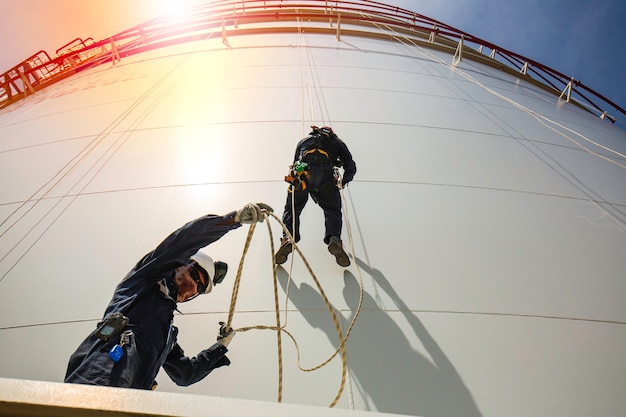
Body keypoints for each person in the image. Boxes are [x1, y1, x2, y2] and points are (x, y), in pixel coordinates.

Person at [64, 202, 273, 390]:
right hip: (100, 375)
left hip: (130, 399)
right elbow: (182, 242)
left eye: (199, 289)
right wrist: (232, 219)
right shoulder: (145, 280)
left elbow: (185, 374)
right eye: (194, 276)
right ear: (181, 264)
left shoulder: (166, 335)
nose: (192, 288)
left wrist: (220, 346)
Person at [275, 126, 356, 267]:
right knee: (332, 210)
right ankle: (334, 239)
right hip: (326, 178)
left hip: (302, 177)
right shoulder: (337, 143)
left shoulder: (303, 141)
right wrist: (343, 182)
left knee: (292, 209)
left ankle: (287, 238)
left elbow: (295, 163)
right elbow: (351, 166)